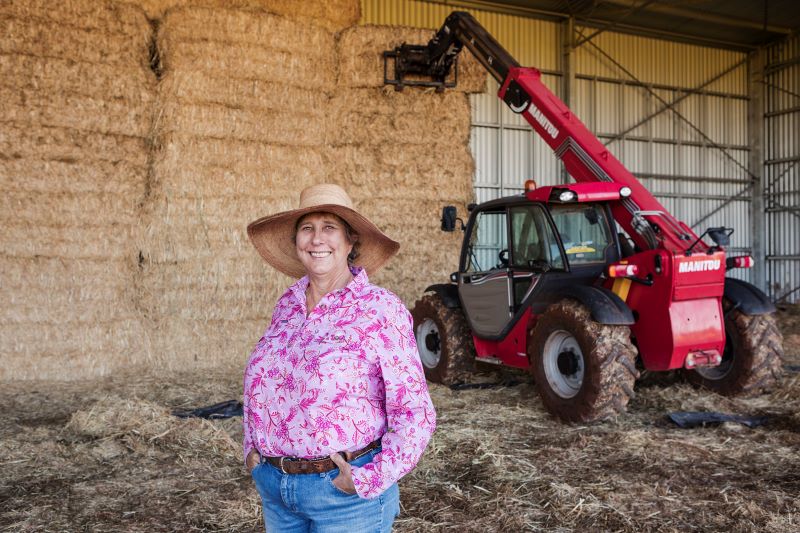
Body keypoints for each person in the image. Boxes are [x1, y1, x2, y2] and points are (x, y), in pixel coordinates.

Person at [243, 183, 436, 532]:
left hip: (343, 497)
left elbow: (414, 411)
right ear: (297, 242)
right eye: (307, 228)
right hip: (277, 490)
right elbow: (264, 381)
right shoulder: (287, 305)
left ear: (350, 243)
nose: (317, 239)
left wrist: (369, 478)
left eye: (329, 228)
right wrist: (252, 449)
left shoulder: (380, 309)